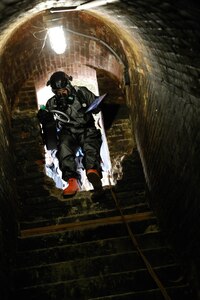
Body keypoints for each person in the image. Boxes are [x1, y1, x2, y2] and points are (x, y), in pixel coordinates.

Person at [37, 71, 105, 199]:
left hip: (86, 127)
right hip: (67, 131)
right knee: (63, 147)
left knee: (90, 145)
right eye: (57, 92)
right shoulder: (52, 103)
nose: (61, 94)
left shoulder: (82, 93)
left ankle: (93, 173)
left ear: (68, 86)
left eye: (63, 90)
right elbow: (46, 120)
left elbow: (97, 105)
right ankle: (72, 180)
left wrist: (97, 105)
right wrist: (43, 116)